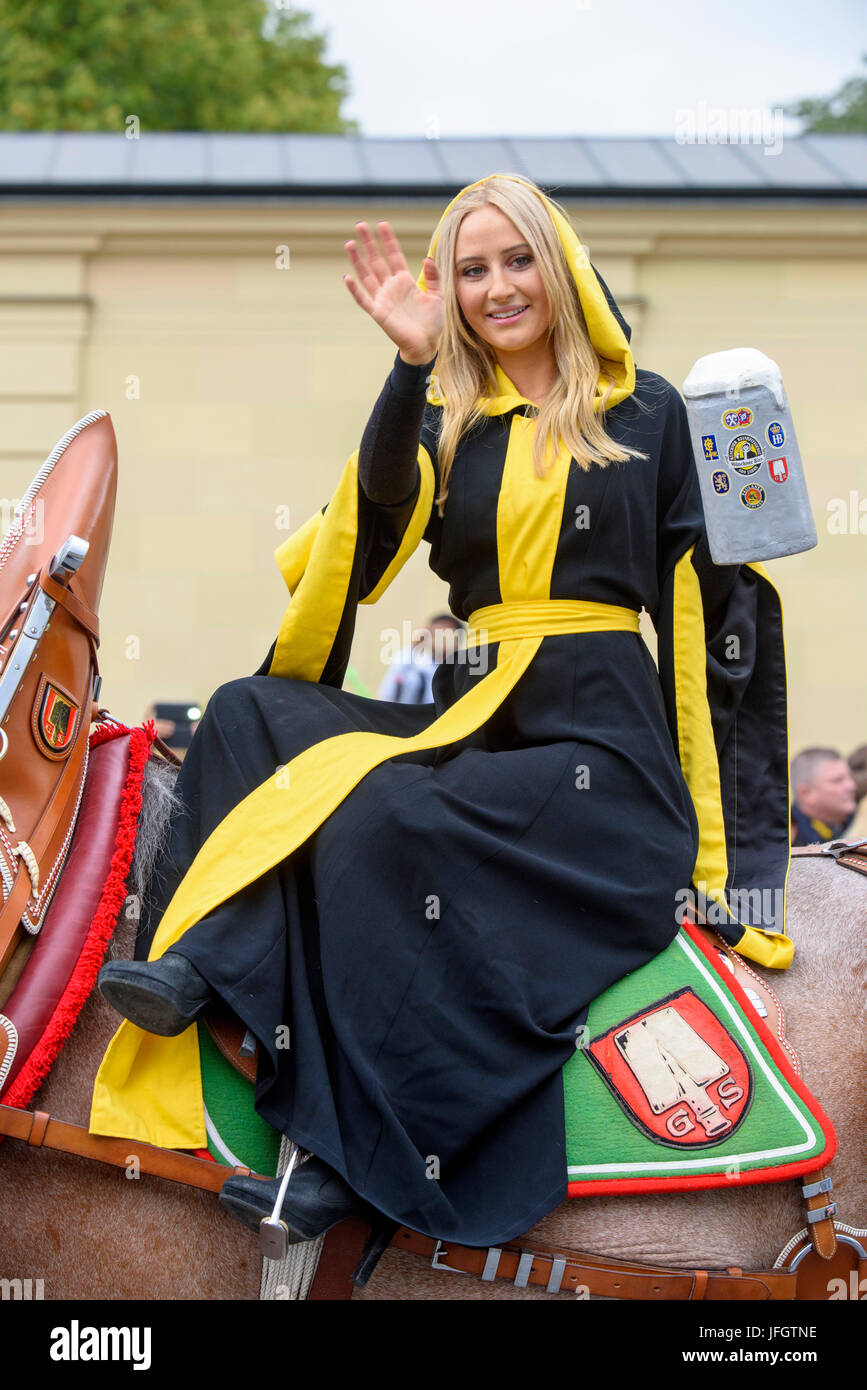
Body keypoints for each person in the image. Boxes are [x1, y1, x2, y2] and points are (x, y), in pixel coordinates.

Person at [93, 173, 792, 1256]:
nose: (498, 286)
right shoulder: (444, 413)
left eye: (518, 260)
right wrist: (409, 364)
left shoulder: (653, 412)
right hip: (470, 721)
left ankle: (352, 1150)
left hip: (599, 763)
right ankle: (203, 963)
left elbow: (722, 626)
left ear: (558, 267)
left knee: (386, 816)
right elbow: (365, 531)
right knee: (246, 713)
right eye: (473, 268)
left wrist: (735, 863)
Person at [377, 612, 465, 704]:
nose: (439, 640)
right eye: (435, 634)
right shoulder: (415, 669)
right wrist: (414, 645)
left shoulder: (459, 674)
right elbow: (387, 694)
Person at [790, 746, 858, 846]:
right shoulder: (784, 840)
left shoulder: (860, 818)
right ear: (806, 793)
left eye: (849, 777)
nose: (851, 786)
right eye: (837, 780)